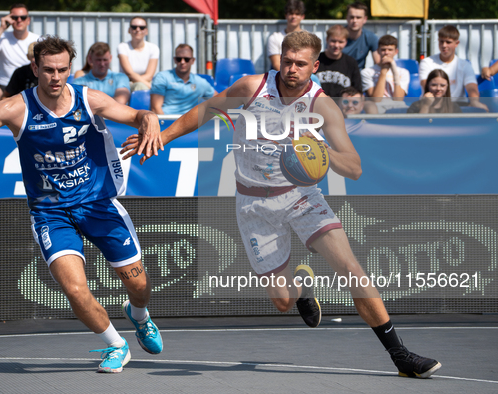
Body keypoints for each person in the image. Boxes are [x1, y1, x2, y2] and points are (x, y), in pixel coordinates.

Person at [121, 30, 441, 379]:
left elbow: (355, 167)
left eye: (300, 64)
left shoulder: (322, 106)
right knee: (282, 301)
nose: (291, 68)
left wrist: (320, 149)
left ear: (314, 66)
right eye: (287, 61)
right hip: (254, 205)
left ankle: (401, 356)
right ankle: (303, 286)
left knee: (352, 271)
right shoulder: (252, 87)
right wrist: (161, 137)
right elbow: (207, 110)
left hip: (302, 197)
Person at [0, 36, 164, 374]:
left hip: (97, 204)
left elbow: (138, 114)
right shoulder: (15, 107)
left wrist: (149, 120)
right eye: (48, 70)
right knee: (75, 289)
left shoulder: (88, 99)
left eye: (63, 69)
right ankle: (116, 345)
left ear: (70, 69)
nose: (56, 77)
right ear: (35, 68)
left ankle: (139, 316)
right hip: (51, 212)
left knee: (139, 285)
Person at [0, 3, 39, 112]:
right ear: (9, 19)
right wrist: (2, 28)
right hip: (6, 87)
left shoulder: (37, 40)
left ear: (28, 20)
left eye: (23, 17)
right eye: (14, 17)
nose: (19, 20)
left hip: (29, 84)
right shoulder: (2, 38)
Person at [419, 25, 488, 112]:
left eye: (448, 42)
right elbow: (425, 85)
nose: (444, 45)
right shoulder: (427, 62)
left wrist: (475, 102)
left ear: (456, 43)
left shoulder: (465, 65)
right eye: (441, 41)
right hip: (432, 105)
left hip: (457, 105)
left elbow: (472, 88)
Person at [150, 44, 216, 115]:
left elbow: (220, 100)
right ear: (175, 60)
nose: (182, 62)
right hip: (167, 122)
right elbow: (155, 108)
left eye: (186, 59)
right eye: (179, 59)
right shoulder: (162, 77)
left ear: (193, 61)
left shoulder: (200, 82)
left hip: (191, 124)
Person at [361, 35, 410, 113]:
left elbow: (398, 99)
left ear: (396, 52)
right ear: (378, 51)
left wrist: (394, 70)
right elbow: (376, 99)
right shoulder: (367, 72)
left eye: (390, 50)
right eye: (383, 50)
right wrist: (383, 72)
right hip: (378, 106)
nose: (386, 53)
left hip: (397, 106)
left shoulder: (403, 72)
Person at [316, 25, 362, 97]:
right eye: (333, 41)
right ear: (327, 39)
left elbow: (357, 90)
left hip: (344, 105)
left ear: (346, 42)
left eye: (340, 42)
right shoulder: (316, 60)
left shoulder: (351, 63)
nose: (336, 45)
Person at [117, 16, 159, 91]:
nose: (137, 29)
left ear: (146, 31)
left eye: (142, 27)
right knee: (140, 86)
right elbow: (129, 73)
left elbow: (149, 76)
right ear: (129, 30)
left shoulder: (153, 48)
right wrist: (148, 85)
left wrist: (143, 83)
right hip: (126, 84)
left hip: (145, 84)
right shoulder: (122, 47)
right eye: (134, 27)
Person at [267, 0, 306, 71]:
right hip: (281, 77)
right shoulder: (275, 37)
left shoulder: (308, 38)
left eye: (297, 14)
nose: (294, 16)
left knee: (314, 78)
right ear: (286, 15)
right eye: (291, 13)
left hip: (303, 76)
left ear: (302, 16)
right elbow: (276, 65)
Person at [343, 2, 380, 69]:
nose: (354, 20)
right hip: (339, 74)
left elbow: (378, 63)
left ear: (365, 19)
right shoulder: (336, 36)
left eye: (358, 17)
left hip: (360, 75)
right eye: (351, 17)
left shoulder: (371, 37)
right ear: (347, 18)